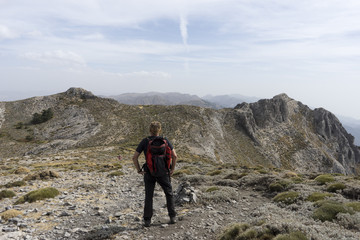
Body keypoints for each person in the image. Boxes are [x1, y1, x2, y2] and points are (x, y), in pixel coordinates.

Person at [132, 121, 177, 227]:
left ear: (150, 130)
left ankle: (147, 220)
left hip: (149, 172)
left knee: (149, 196)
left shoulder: (145, 141)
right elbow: (175, 156)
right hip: (164, 172)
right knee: (169, 193)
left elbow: (134, 157)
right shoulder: (165, 140)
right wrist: (172, 169)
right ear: (159, 130)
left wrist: (139, 170)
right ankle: (172, 216)